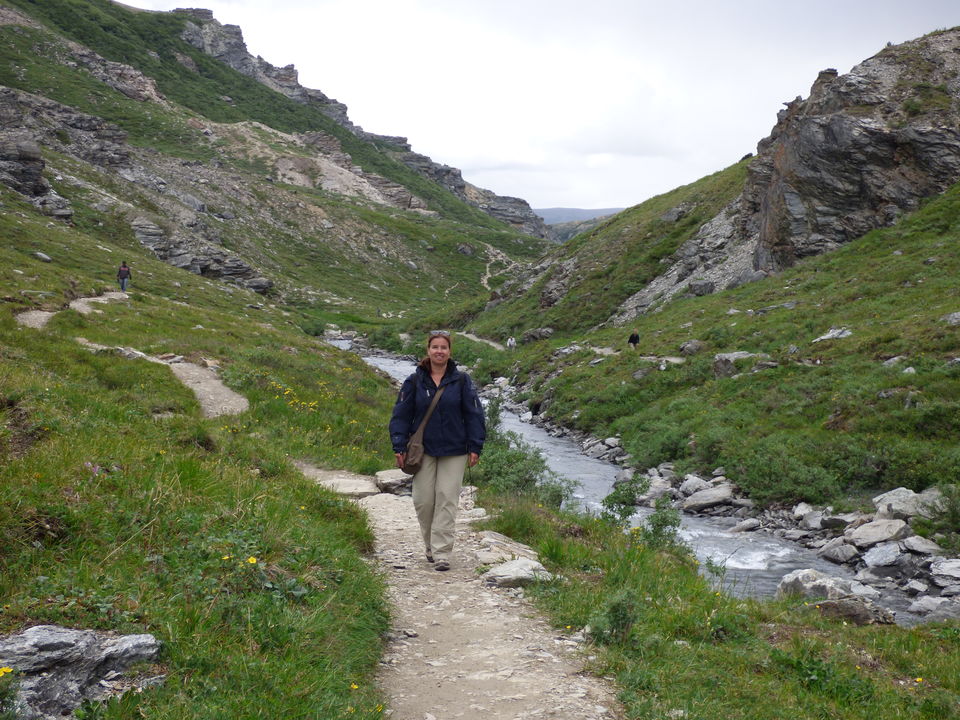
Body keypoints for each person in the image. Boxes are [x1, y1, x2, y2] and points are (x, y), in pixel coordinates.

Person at [389, 330, 485, 571]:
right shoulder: (414, 381)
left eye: (444, 347)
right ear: (428, 351)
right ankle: (429, 544)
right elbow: (401, 414)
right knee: (423, 500)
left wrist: (475, 445)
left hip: (455, 448)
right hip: (423, 449)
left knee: (447, 498)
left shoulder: (462, 381)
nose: (439, 351)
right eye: (435, 347)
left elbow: (474, 414)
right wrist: (398, 445)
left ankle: (442, 553)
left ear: (450, 352)